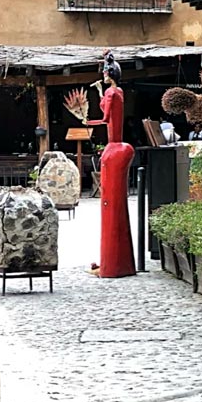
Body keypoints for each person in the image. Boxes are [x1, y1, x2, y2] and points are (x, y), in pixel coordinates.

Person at [84, 50, 136, 278]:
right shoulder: (118, 91)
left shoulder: (112, 92)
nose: (104, 75)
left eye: (105, 72)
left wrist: (88, 118)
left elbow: (105, 117)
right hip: (115, 147)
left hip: (113, 147)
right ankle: (116, 263)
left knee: (111, 204)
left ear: (111, 73)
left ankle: (111, 264)